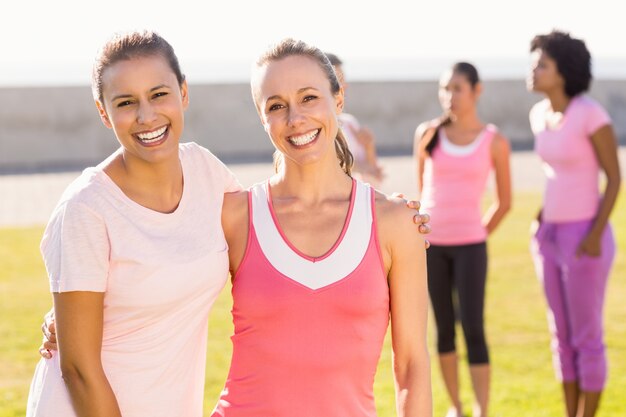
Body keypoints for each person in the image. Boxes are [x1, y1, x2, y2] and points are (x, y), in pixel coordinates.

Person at [30, 33, 431, 417]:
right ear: (261, 117)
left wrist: (398, 219)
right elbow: (145, 262)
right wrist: (68, 316)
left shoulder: (208, 179)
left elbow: (412, 364)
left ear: (338, 97)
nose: (295, 118)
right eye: (275, 106)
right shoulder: (233, 215)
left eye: (309, 97)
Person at [527, 30, 621, 417]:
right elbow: (557, 174)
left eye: (542, 63)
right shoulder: (538, 115)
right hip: (548, 236)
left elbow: (614, 178)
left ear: (563, 72)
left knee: (587, 338)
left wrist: (595, 234)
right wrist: (542, 216)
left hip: (585, 237)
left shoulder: (590, 114)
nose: (533, 69)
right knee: (560, 336)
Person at [414, 62, 512, 417]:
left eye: (457, 88)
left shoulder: (494, 141)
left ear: (476, 91)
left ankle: (481, 409)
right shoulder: (427, 134)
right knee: (443, 331)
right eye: (445, 89)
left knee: (473, 327)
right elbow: (422, 192)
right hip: (431, 248)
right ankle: (455, 407)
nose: (449, 96)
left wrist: (477, 232)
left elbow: (505, 202)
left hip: (472, 246)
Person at [325, 52, 385, 188]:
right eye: (338, 81)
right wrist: (360, 167)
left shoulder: (350, 123)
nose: (344, 86)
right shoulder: (313, 128)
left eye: (344, 80)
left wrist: (369, 147)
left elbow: (375, 180)